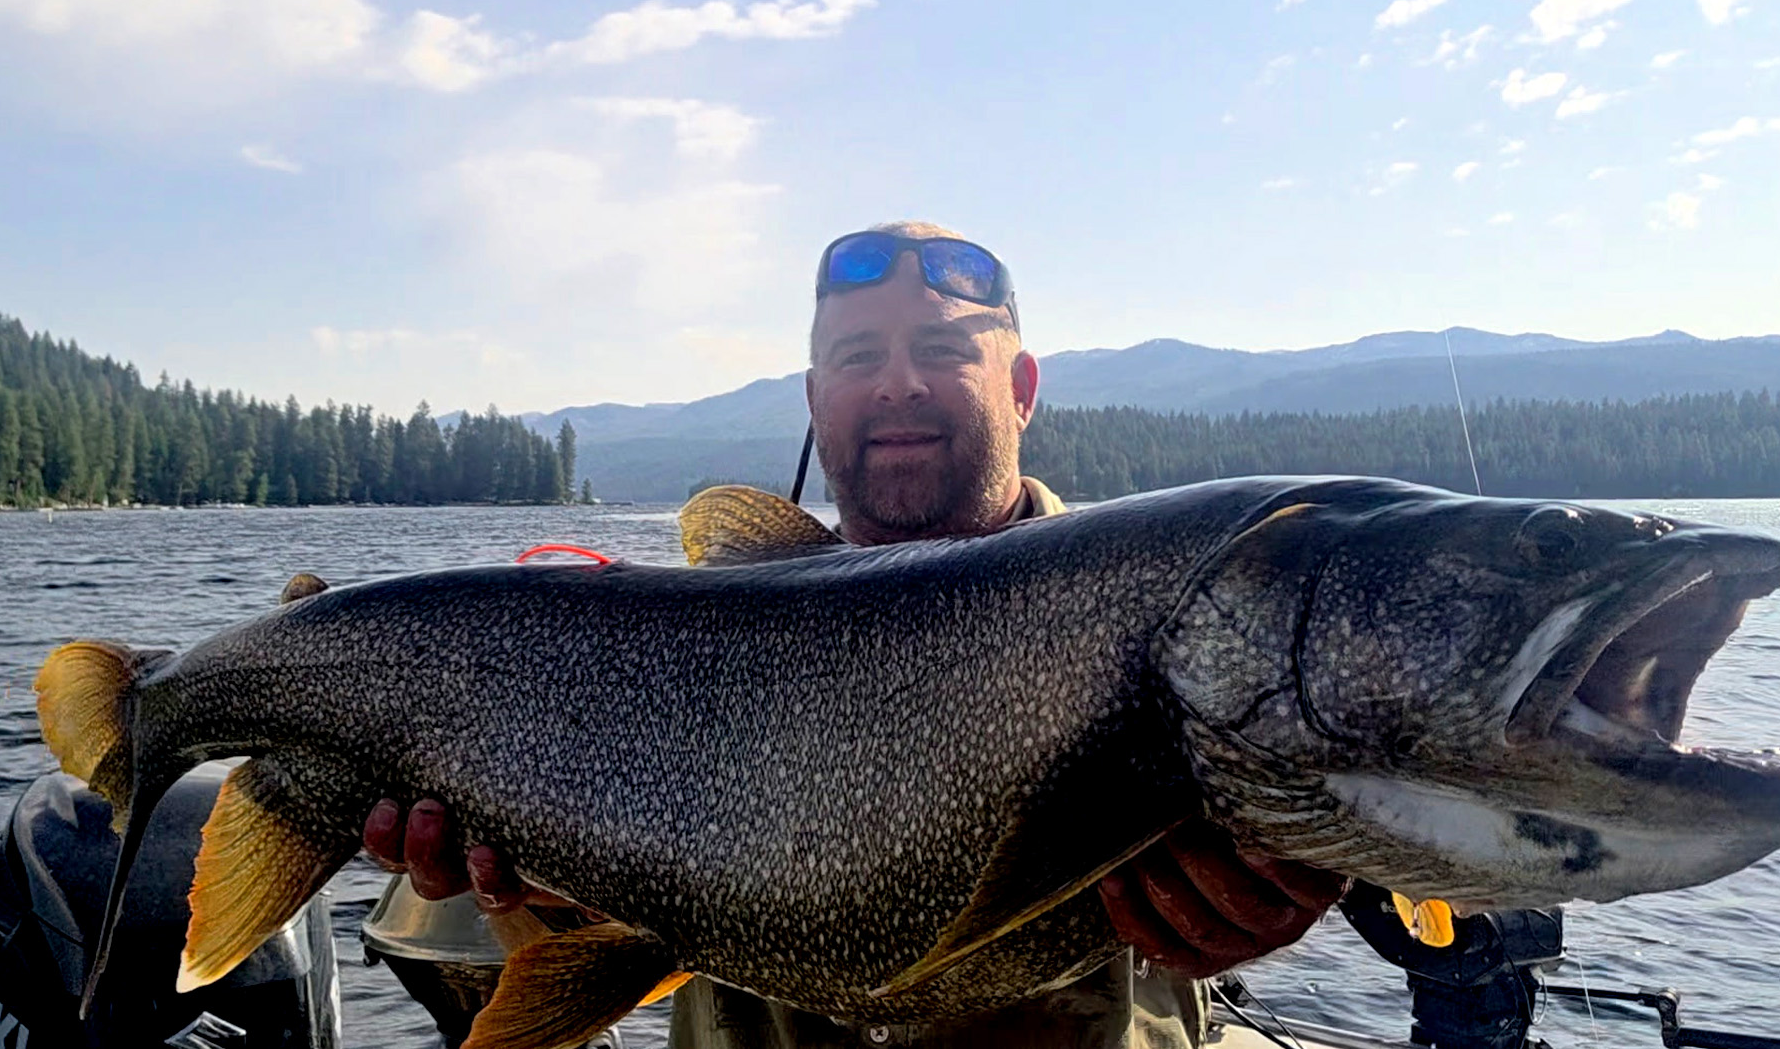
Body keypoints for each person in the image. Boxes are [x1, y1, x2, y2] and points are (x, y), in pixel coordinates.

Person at [361, 221, 1350, 1048]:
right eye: (856, 358)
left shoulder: (1171, 616)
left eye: (943, 349)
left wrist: (1271, 902)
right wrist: (524, 887)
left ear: (1022, 389)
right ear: (812, 398)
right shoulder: (695, 637)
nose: (897, 386)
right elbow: (605, 919)